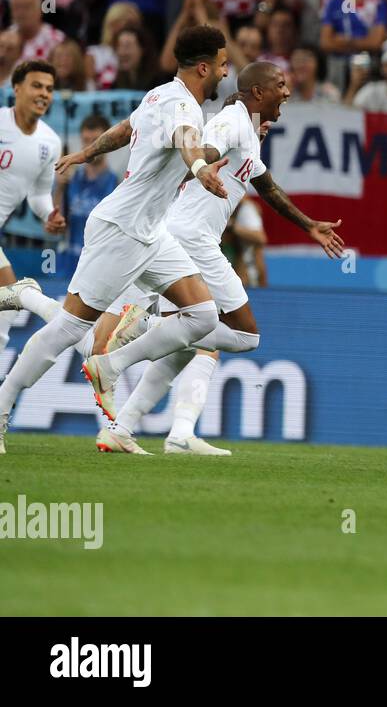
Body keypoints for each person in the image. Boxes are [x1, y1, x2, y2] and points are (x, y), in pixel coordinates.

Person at [0, 27, 237, 454]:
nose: (226, 72)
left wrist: (87, 152)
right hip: (121, 230)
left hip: (150, 232)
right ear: (204, 67)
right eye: (222, 64)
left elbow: (126, 129)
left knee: (202, 316)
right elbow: (186, 139)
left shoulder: (158, 94)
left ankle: (109, 366)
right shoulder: (184, 105)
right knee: (71, 330)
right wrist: (200, 166)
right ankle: (3, 400)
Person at [92, 61, 346, 456]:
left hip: (187, 235)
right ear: (258, 92)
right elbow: (205, 147)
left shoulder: (249, 131)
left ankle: (123, 428)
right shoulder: (232, 121)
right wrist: (200, 163)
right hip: (192, 238)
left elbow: (269, 187)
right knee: (246, 335)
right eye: (281, 85)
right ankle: (140, 333)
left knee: (188, 341)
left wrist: (309, 225)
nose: (288, 92)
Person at [0, 61, 70, 377]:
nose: (43, 94)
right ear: (16, 89)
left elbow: (39, 194)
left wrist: (49, 214)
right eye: (36, 86)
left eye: (49, 89)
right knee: (12, 290)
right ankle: (52, 312)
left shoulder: (50, 143)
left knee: (6, 306)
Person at [57, 115, 121, 277]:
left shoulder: (117, 185)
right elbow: (57, 225)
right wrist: (59, 188)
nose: (91, 146)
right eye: (86, 140)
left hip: (102, 268)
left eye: (96, 140)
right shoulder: (70, 181)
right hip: (71, 266)